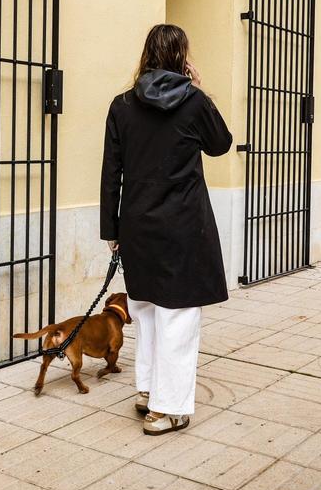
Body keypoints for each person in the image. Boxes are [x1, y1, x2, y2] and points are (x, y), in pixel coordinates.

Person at [100, 23, 233, 435]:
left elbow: (111, 173)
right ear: (182, 57)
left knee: (145, 313)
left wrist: (111, 229)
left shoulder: (122, 105)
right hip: (183, 227)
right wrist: (199, 89)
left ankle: (147, 392)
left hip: (138, 225)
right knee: (177, 317)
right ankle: (166, 408)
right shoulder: (193, 102)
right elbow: (221, 143)